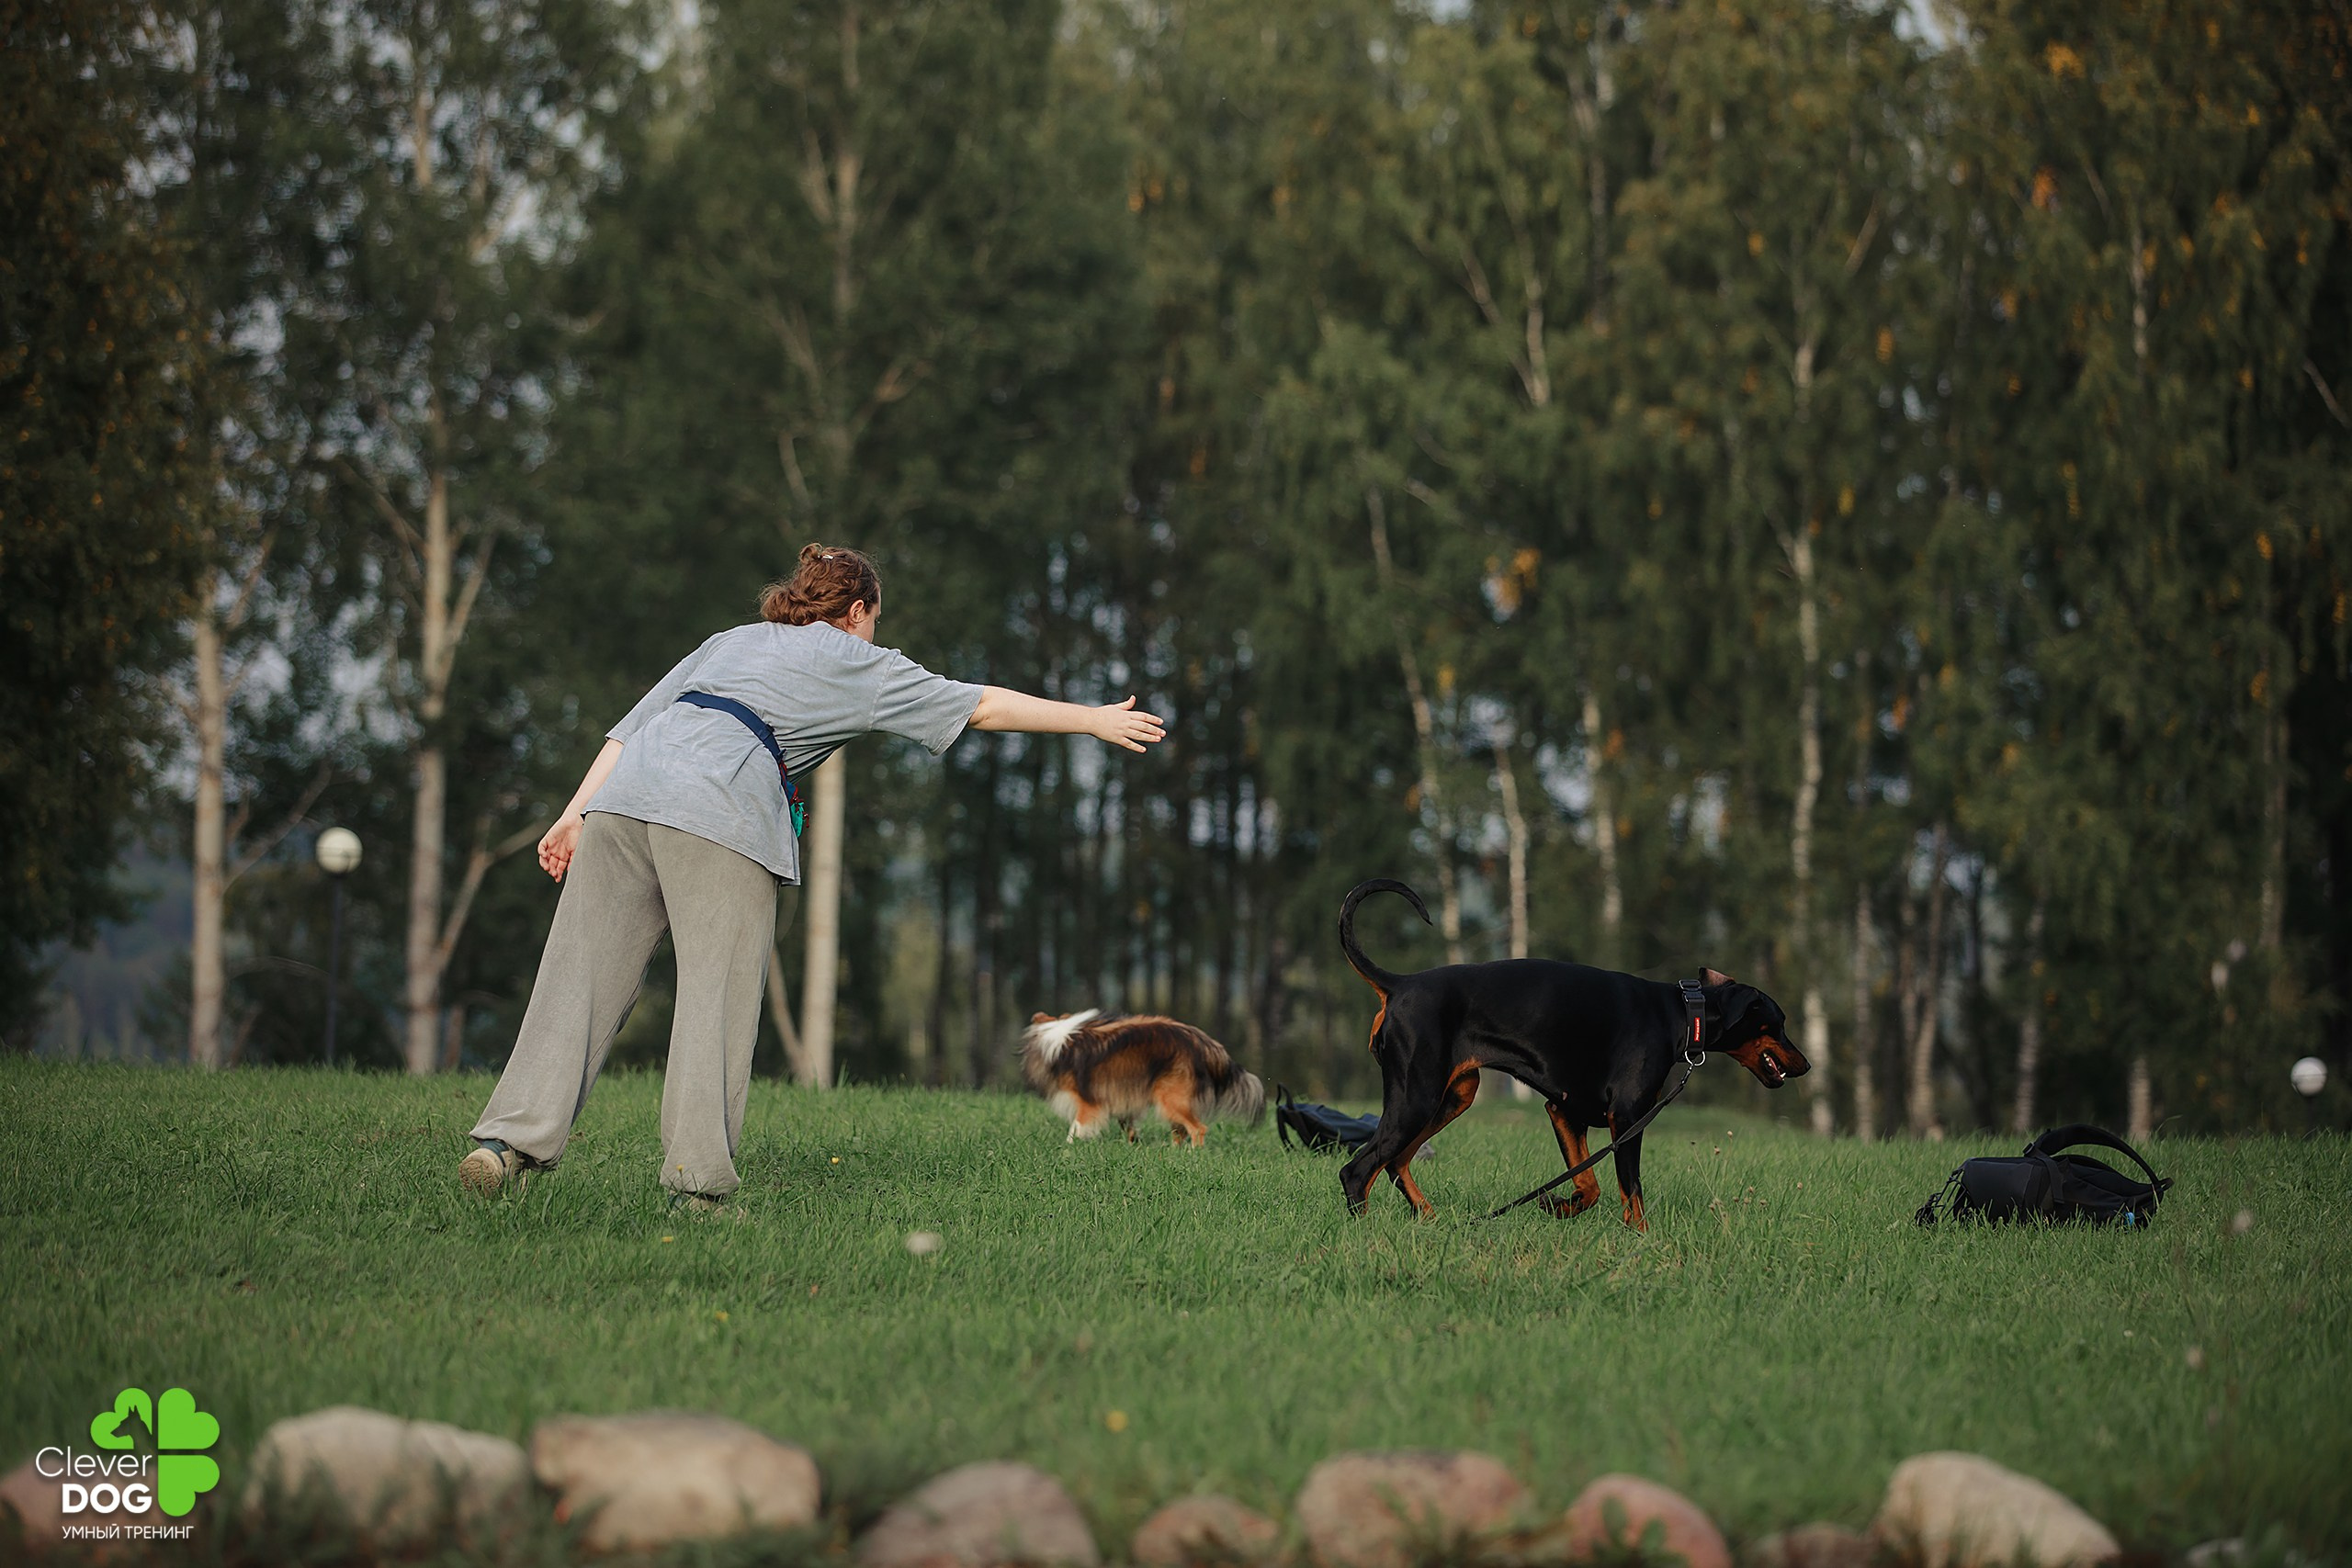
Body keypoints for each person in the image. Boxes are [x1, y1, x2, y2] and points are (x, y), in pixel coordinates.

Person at [458, 544, 1165, 1208]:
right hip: (721, 806)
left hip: (626, 798)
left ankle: (506, 1143)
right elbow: (978, 704)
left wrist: (572, 813)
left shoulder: (730, 639)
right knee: (716, 998)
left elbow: (631, 727)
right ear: (857, 611)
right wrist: (1091, 720)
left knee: (574, 978)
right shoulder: (857, 660)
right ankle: (696, 1188)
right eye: (875, 619)